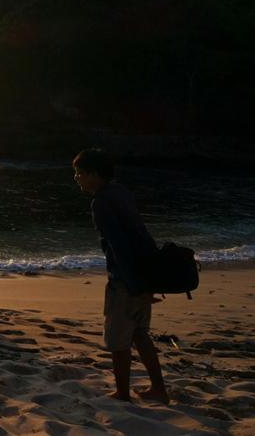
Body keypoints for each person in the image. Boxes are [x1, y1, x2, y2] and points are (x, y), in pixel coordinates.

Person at [73, 148, 169, 405]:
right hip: (143, 274)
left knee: (118, 340)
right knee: (139, 333)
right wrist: (147, 283)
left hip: (125, 280)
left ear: (94, 174)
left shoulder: (101, 201)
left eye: (80, 173)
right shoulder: (122, 193)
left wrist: (134, 285)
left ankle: (123, 393)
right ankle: (158, 389)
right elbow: (140, 236)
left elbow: (119, 246)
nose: (77, 178)